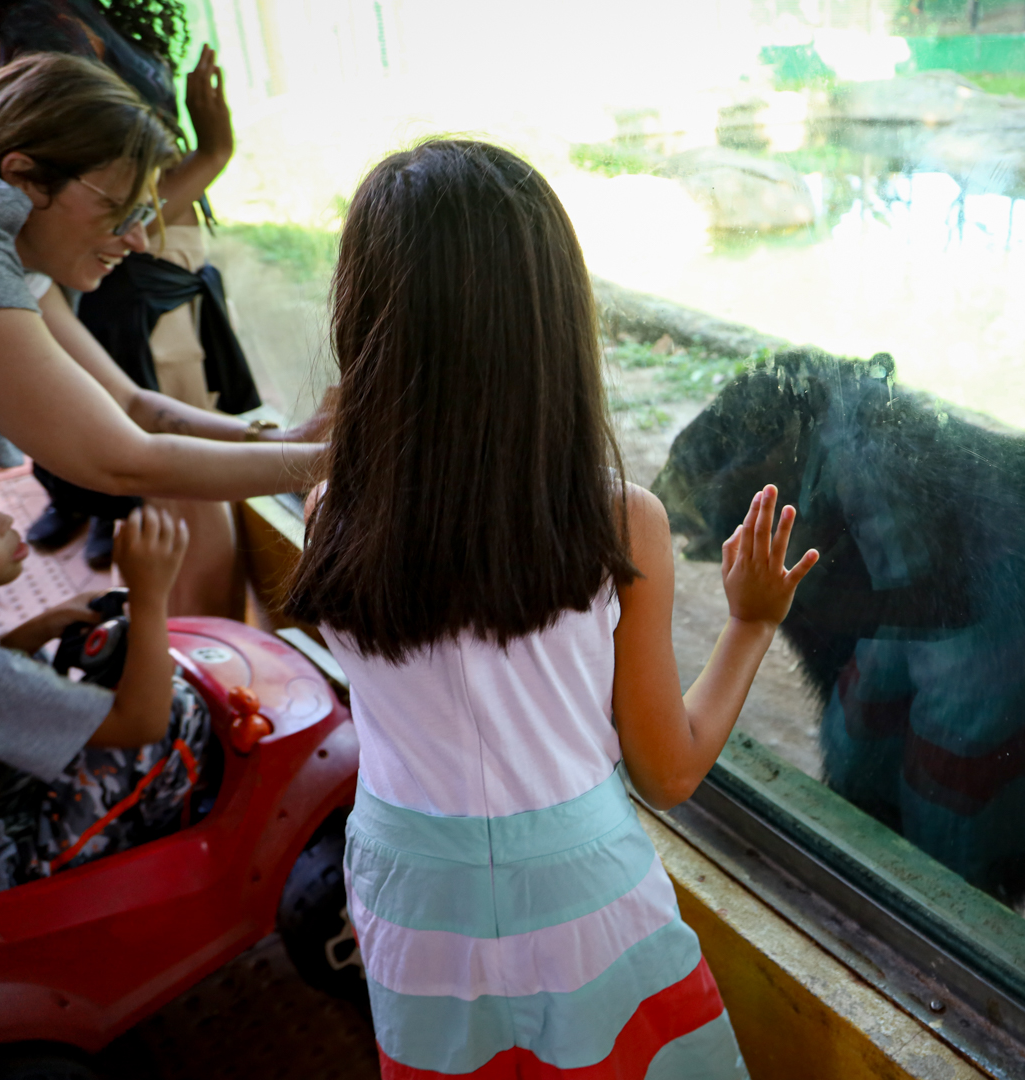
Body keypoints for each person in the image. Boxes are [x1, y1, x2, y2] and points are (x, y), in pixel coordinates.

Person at [283, 140, 818, 1078]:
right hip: (587, 901)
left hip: (412, 902)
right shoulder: (620, 524)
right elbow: (669, 772)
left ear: (364, 315)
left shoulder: (332, 512)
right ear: (554, 324)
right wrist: (750, 622)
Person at [0, 52, 323, 518]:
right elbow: (123, 462)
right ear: (23, 176)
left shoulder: (10, 247)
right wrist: (345, 460)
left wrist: (288, 439)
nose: (137, 240)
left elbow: (129, 402)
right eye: (121, 211)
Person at [0, 457, 207, 900]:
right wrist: (151, 596)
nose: (5, 520)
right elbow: (141, 724)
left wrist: (39, 627)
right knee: (181, 712)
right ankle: (149, 857)